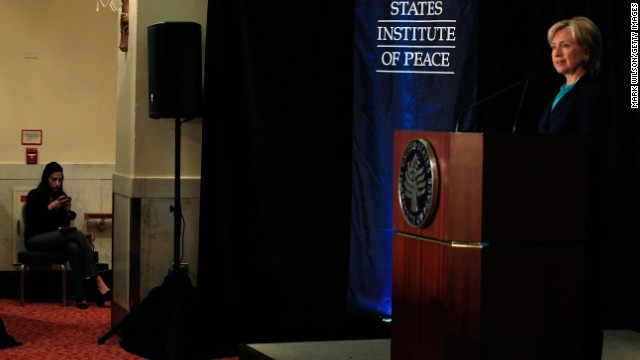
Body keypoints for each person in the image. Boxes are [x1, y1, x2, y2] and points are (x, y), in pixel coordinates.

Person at [538, 16, 611, 360]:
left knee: (581, 290)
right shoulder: (561, 91)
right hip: (552, 205)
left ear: (586, 52)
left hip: (578, 205)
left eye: (565, 45)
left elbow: (589, 148)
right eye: (554, 46)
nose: (557, 52)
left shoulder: (592, 94)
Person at [23, 162, 111, 309]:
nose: (57, 183)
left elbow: (63, 227)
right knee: (76, 234)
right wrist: (50, 207)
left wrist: (67, 212)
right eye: (54, 179)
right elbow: (33, 222)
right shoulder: (35, 195)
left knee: (73, 248)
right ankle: (97, 279)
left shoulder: (60, 197)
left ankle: (80, 297)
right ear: (46, 178)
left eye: (60, 179)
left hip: (53, 240)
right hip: (34, 240)